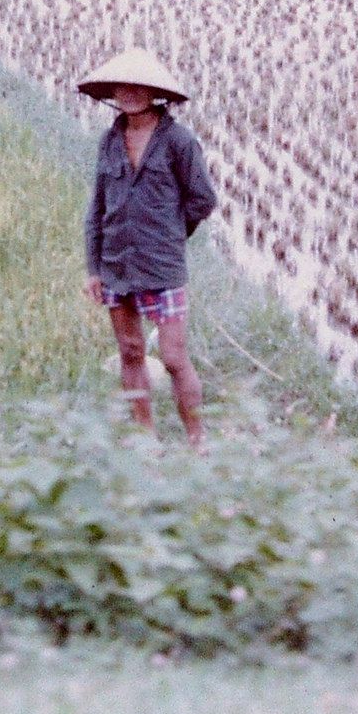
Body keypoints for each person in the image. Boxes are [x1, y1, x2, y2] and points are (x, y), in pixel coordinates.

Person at [77, 47, 219, 447]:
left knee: (173, 357)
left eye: (140, 87)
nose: (130, 93)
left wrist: (170, 235)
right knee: (130, 351)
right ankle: (146, 440)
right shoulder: (110, 140)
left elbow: (202, 199)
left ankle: (197, 440)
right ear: (114, 91)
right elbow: (97, 207)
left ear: (155, 92)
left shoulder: (178, 141)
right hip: (116, 265)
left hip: (162, 266)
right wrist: (93, 268)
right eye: (123, 86)